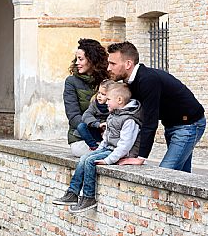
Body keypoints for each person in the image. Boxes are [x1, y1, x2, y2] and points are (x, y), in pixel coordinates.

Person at [106, 41, 206, 173]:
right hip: (172, 125)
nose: (108, 68)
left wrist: (141, 157)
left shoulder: (147, 80)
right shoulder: (130, 81)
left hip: (189, 125)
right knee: (181, 175)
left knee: (165, 172)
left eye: (113, 63)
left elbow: (149, 119)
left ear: (128, 64)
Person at [53, 83, 142, 213]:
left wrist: (109, 160)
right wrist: (99, 149)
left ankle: (89, 197)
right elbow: (106, 138)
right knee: (84, 157)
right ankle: (72, 193)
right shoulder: (113, 115)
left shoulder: (129, 120)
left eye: (109, 99)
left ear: (119, 100)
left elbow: (124, 145)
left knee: (90, 161)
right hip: (109, 149)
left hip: (121, 154)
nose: (106, 102)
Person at [63, 39, 109, 157]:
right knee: (104, 155)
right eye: (76, 59)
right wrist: (95, 125)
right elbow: (73, 116)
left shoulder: (107, 82)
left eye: (81, 59)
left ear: (92, 59)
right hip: (81, 138)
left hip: (106, 136)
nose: (77, 62)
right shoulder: (71, 82)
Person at [77, 79, 114, 151]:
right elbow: (86, 115)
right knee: (81, 126)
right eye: (99, 93)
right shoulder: (94, 104)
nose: (99, 96)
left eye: (103, 94)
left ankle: (107, 146)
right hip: (96, 128)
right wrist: (98, 124)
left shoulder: (113, 106)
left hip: (108, 132)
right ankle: (94, 147)